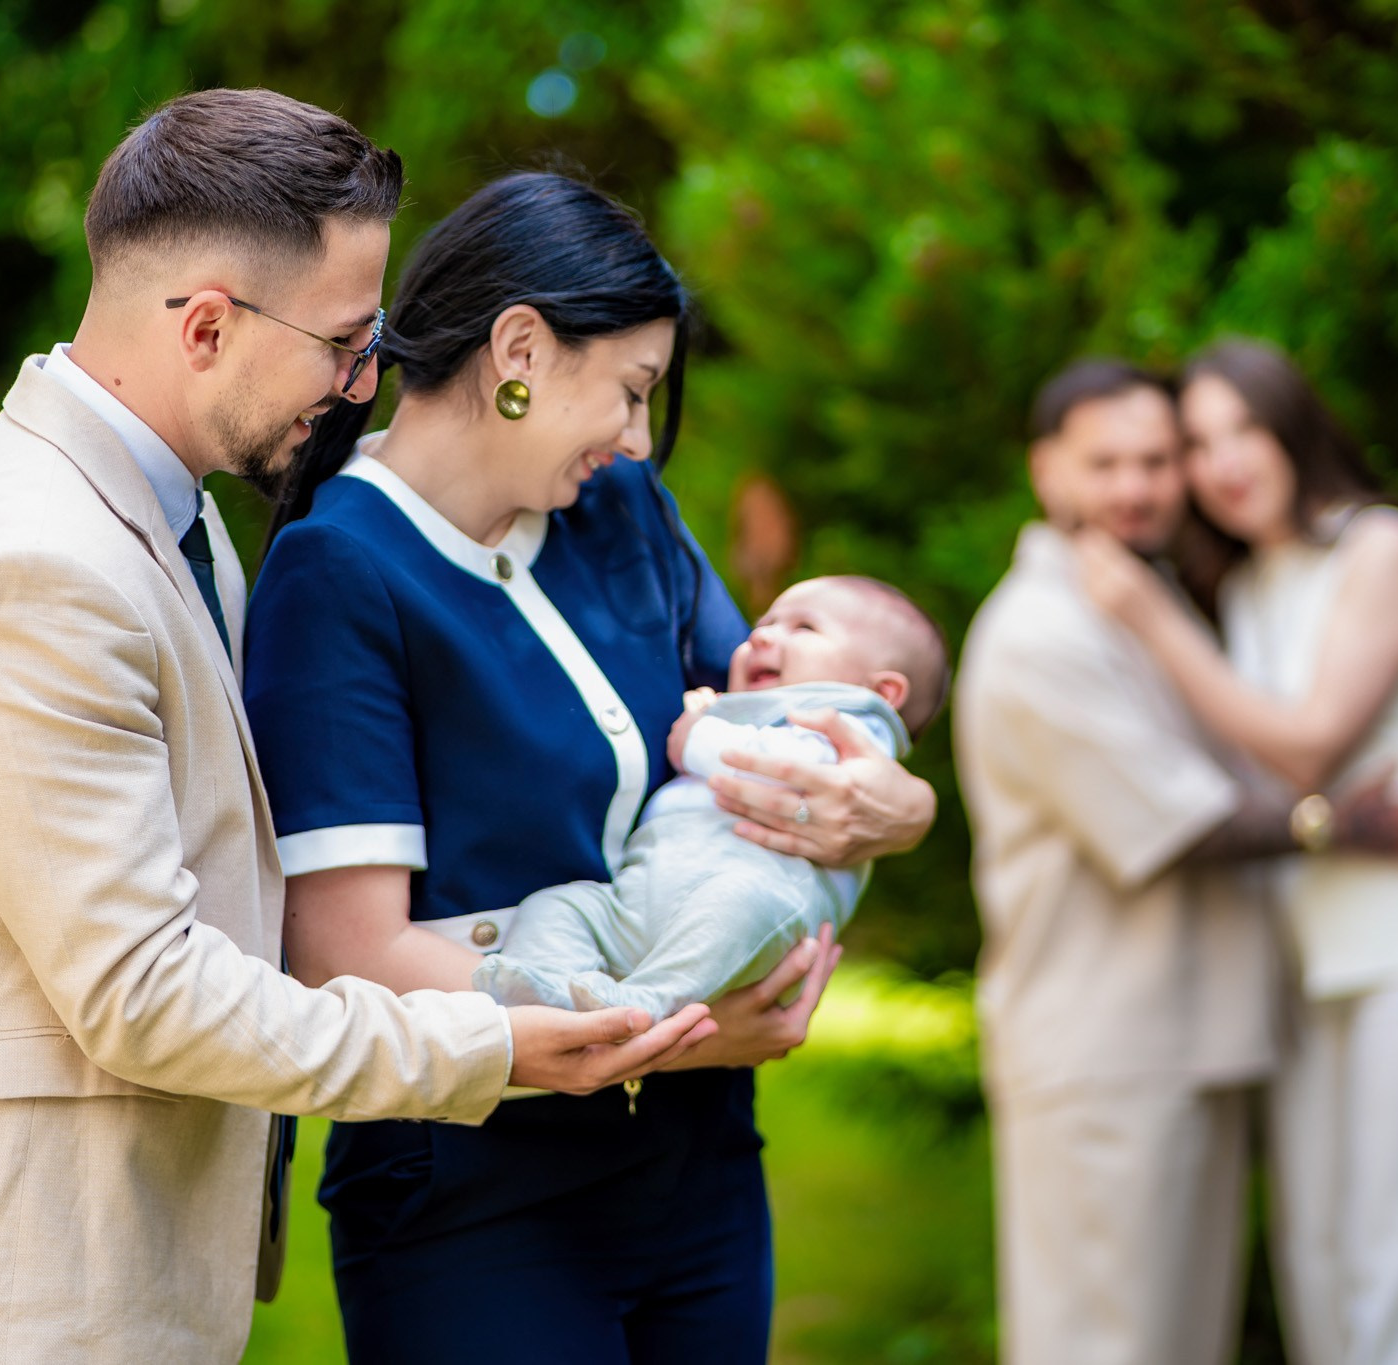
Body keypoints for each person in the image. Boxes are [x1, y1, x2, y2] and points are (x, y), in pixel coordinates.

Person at [0, 92, 712, 1365]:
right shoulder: (35, 562)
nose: (365, 382)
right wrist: (493, 1041)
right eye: (348, 341)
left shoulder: (169, 518)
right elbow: (143, 993)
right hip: (23, 1289)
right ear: (206, 326)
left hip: (134, 1258)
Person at [241, 171, 936, 1365]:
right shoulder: (340, 576)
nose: (633, 436)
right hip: (476, 1191)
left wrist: (899, 805)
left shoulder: (623, 515)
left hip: (700, 1167)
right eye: (628, 391)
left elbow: (804, 731)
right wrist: (667, 1025)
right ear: (518, 348)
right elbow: (347, 952)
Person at [955, 358, 1398, 1365]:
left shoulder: (1141, 598)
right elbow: (1178, 825)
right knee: (1102, 1345)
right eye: (1104, 464)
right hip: (1105, 1055)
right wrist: (1333, 825)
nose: (1135, 487)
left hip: (1174, 1043)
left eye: (1155, 460)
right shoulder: (1040, 632)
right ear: (1045, 471)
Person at [1073, 338, 1398, 1365]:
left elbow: (1311, 740)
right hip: (1303, 953)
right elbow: (1262, 782)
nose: (1223, 462)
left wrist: (1147, 617)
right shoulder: (1242, 592)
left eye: (1243, 429)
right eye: (1197, 443)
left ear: (1292, 428)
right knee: (1320, 1267)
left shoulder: (1383, 551)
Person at [475, 574, 950, 1018]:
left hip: (754, 895)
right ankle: (549, 985)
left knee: (732, 906)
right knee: (563, 905)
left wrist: (700, 737)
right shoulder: (746, 715)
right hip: (643, 894)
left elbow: (791, 770)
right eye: (763, 624)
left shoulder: (855, 726)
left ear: (882, 690)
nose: (761, 637)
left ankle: (644, 1002)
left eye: (804, 627)